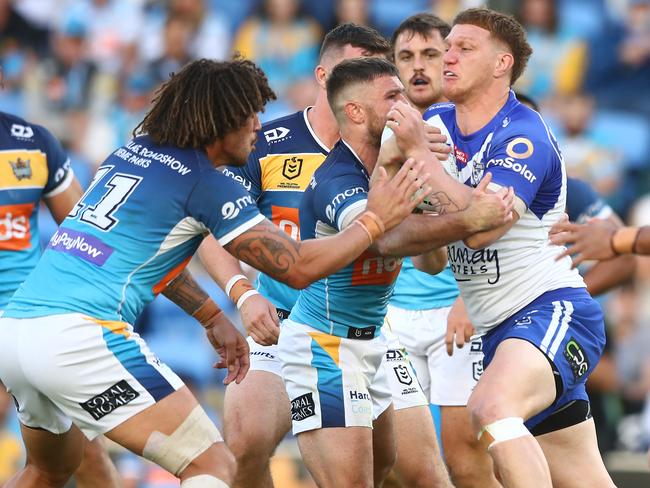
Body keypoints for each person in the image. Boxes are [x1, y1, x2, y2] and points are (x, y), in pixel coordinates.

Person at [0, 58, 426, 488]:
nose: (258, 126)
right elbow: (296, 267)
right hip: (79, 337)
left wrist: (211, 315)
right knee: (213, 468)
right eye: (249, 115)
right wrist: (374, 221)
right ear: (221, 121)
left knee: (49, 470)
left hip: (16, 335)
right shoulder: (208, 184)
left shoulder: (130, 153)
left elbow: (152, 260)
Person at [199, 23, 451, 488]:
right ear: (324, 76)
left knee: (418, 473)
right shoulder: (264, 144)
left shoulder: (396, 149)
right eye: (351, 68)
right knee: (245, 445)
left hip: (369, 321)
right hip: (280, 322)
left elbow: (417, 246)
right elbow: (208, 226)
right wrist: (241, 293)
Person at [387, 8, 617, 487]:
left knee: (489, 408)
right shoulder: (438, 125)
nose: (447, 57)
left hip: (553, 311)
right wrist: (418, 192)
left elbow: (482, 231)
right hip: (501, 332)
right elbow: (430, 262)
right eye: (447, 47)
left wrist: (418, 159)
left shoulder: (522, 133)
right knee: (586, 481)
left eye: (464, 48)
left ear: (501, 64)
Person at [279, 57, 515, 487]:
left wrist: (426, 181)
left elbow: (433, 262)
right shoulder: (338, 179)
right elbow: (383, 238)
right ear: (355, 112)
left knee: (423, 475)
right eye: (392, 96)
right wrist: (467, 219)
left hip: (378, 341)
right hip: (325, 345)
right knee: (352, 482)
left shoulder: (396, 169)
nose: (405, 105)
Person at [387, 14, 498, 487]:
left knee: (468, 462)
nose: (420, 68)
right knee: (397, 465)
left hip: (459, 312)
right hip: (391, 317)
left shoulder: (480, 130)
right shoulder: (379, 135)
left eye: (432, 55)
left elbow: (514, 224)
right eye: (406, 58)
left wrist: (467, 298)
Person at [0, 109, 121, 486]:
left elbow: (83, 232)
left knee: (85, 457)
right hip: (25, 332)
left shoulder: (32, 142)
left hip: (27, 323)